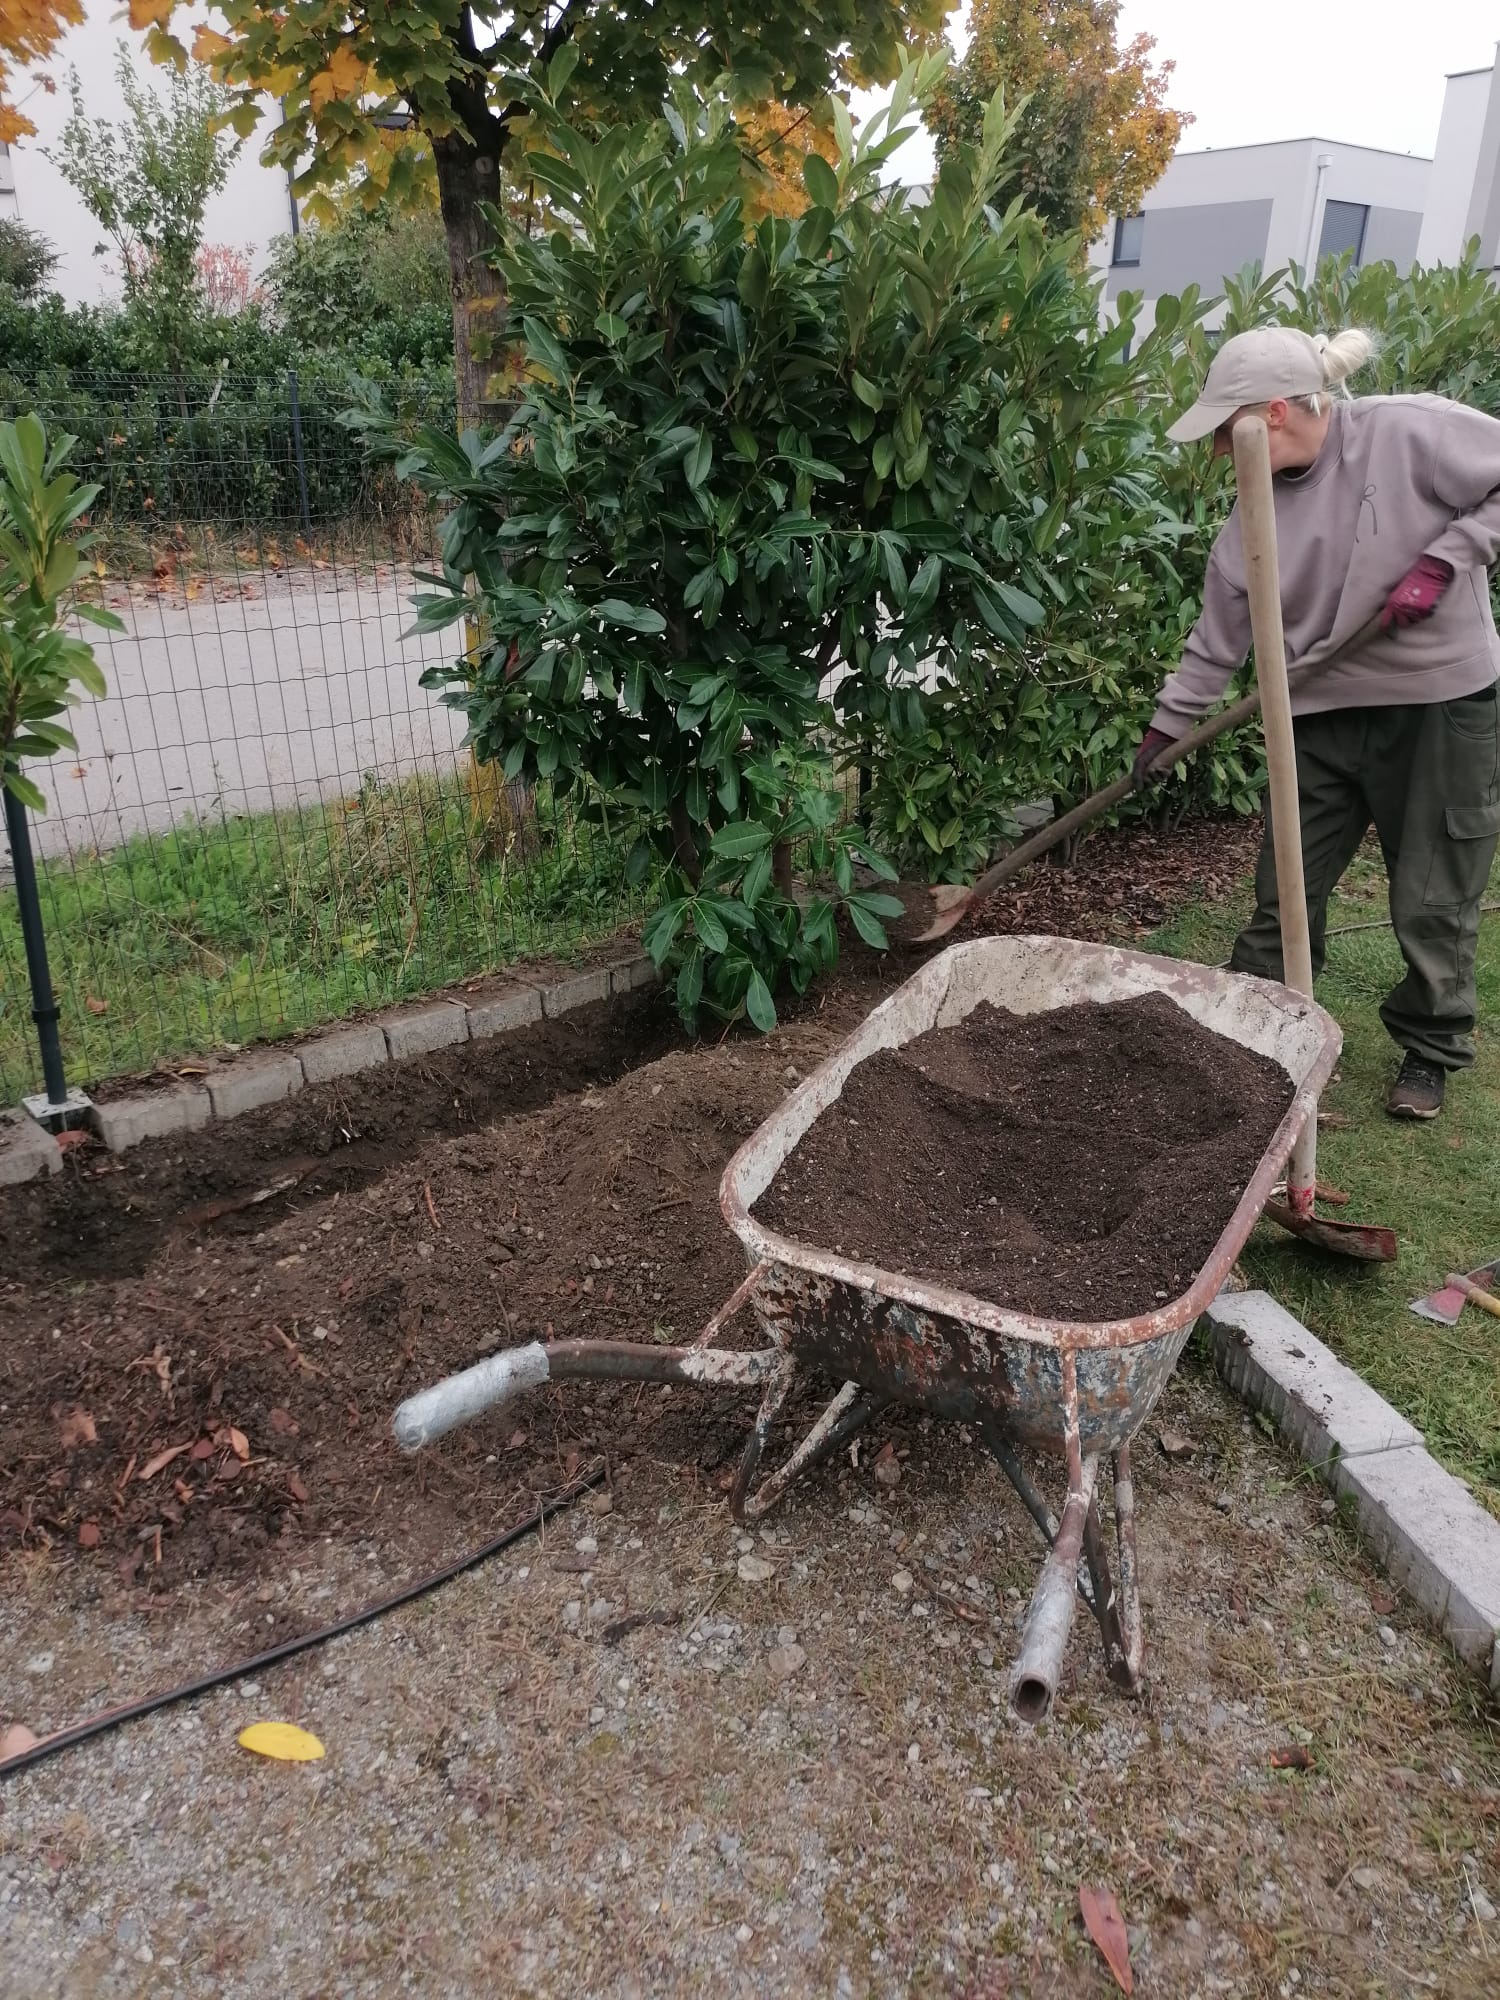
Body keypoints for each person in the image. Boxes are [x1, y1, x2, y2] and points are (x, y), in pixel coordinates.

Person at [1135, 326, 1500, 1121]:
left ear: (1271, 414)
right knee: (1286, 886)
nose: (1219, 457)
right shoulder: (1250, 520)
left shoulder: (1408, 432)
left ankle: (1430, 1048)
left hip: (1436, 704)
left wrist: (1448, 559)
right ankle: (1254, 1035)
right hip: (1318, 712)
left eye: (1226, 436)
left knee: (1436, 888)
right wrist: (1167, 728)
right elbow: (1218, 637)